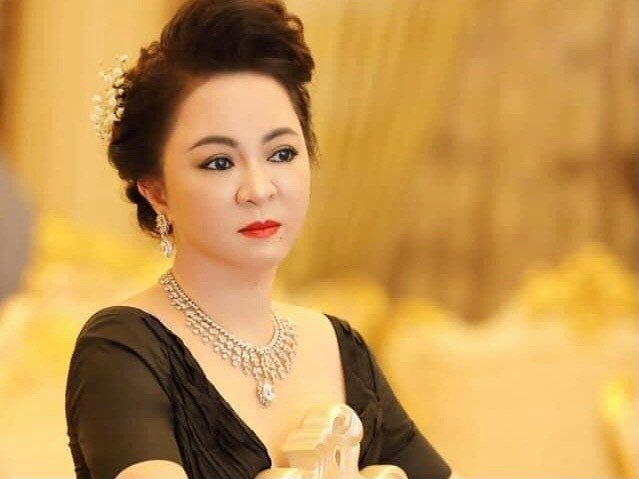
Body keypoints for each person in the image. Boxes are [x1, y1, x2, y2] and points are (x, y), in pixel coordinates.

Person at [65, 1, 455, 478]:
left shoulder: (338, 346)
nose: (259, 189)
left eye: (282, 153)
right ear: (156, 190)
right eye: (219, 162)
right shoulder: (122, 350)